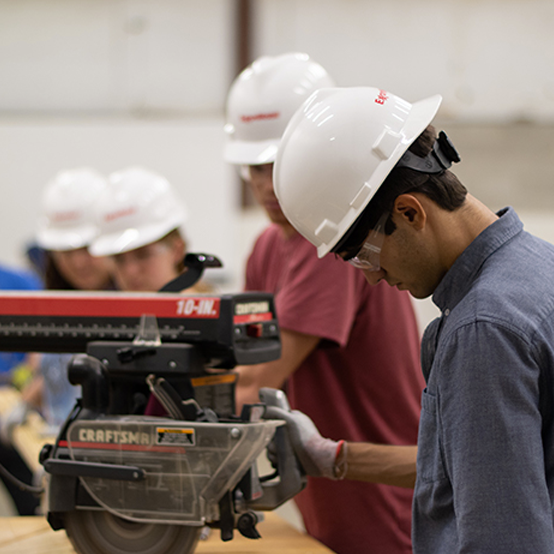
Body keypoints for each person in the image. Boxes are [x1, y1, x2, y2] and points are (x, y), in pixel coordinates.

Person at [272, 85, 554, 552]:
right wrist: (331, 457)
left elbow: (502, 537)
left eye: (362, 257)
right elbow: (481, 468)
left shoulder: (482, 330)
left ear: (409, 212)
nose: (373, 279)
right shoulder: (538, 267)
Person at [224, 53, 424, 554]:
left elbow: (252, 383)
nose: (266, 185)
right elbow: (241, 365)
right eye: (253, 167)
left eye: (277, 164)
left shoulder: (328, 247)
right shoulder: (268, 247)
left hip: (382, 507)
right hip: (330, 498)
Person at [89, 166, 207, 294]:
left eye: (143, 255)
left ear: (177, 250)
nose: (130, 271)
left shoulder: (212, 312)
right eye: (119, 259)